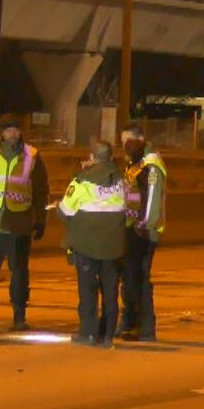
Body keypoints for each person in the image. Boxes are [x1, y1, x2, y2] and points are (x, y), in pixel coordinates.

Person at [0, 118, 50, 330]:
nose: (13, 134)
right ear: (2, 133)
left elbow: (41, 190)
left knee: (19, 271)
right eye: (8, 130)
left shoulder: (32, 155)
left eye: (16, 129)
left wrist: (41, 219)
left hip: (20, 222)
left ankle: (19, 315)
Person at [57, 139, 128, 347]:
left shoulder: (81, 181)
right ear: (111, 157)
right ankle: (107, 335)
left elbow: (65, 212)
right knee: (110, 291)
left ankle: (88, 333)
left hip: (86, 245)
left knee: (88, 291)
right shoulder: (121, 179)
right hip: (113, 245)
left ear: (91, 157)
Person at [118, 126, 168, 342]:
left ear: (141, 139)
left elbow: (152, 199)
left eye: (129, 140)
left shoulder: (151, 165)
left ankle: (145, 327)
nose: (125, 145)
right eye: (122, 142)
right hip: (132, 228)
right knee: (129, 277)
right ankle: (131, 322)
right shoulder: (135, 164)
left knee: (139, 278)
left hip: (144, 231)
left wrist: (143, 225)